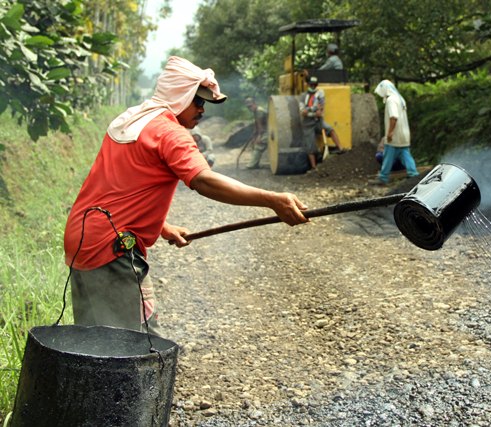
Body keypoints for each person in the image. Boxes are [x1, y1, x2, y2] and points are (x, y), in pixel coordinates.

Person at [63, 56, 309, 336]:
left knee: (95, 341)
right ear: (179, 95)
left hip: (81, 236)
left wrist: (162, 227)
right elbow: (204, 181)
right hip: (110, 248)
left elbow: (120, 185)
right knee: (137, 346)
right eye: (198, 101)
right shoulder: (171, 133)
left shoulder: (133, 118)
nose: (202, 109)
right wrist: (272, 200)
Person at [369, 79, 420, 186]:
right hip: (404, 134)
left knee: (388, 155)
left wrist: (390, 132)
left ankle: (383, 178)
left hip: (395, 135)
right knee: (406, 155)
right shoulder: (400, 98)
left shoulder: (391, 100)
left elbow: (393, 117)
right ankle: (414, 175)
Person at [299, 76, 345, 172]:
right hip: (307, 124)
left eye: (314, 85)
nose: (313, 86)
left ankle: (340, 148)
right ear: (308, 84)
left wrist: (311, 110)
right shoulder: (303, 96)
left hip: (318, 121)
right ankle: (314, 167)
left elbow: (321, 107)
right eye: (311, 84)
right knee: (310, 145)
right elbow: (303, 112)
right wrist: (313, 110)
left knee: (330, 129)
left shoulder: (320, 93)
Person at [244, 97, 268, 169]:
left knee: (259, 144)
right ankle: (256, 163)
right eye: (248, 107)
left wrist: (259, 137)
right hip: (265, 130)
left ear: (254, 104)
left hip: (270, 131)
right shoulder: (256, 111)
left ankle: (252, 165)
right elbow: (257, 125)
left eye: (251, 106)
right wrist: (254, 135)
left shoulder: (259, 111)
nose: (250, 108)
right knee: (254, 144)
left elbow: (260, 126)